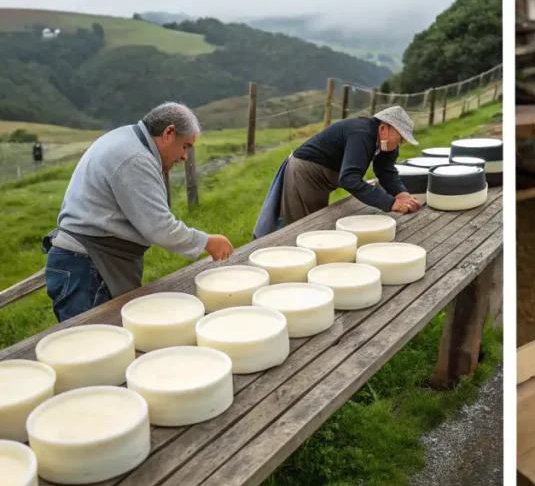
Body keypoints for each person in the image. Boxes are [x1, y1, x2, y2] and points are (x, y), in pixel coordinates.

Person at [42, 103, 234, 322]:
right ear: (169, 133)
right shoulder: (134, 159)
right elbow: (159, 227)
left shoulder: (127, 139)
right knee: (92, 345)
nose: (185, 157)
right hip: (87, 268)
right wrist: (207, 242)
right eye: (185, 146)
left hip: (90, 263)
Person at [254, 106, 422, 237]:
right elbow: (350, 179)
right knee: (306, 226)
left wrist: (401, 194)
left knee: (317, 223)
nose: (401, 144)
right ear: (384, 128)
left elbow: (385, 170)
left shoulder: (385, 143)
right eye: (401, 138)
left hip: (326, 175)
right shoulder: (361, 133)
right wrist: (390, 202)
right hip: (306, 172)